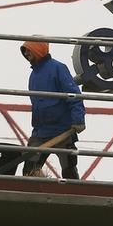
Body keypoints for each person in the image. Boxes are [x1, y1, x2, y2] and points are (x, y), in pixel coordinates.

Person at [20, 40, 86, 179]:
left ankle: (73, 194)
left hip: (62, 129)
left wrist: (78, 120)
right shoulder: (33, 76)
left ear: (38, 49)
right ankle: (33, 196)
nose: (26, 53)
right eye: (24, 50)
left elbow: (73, 94)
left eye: (28, 49)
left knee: (69, 167)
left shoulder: (58, 68)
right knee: (29, 169)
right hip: (41, 132)